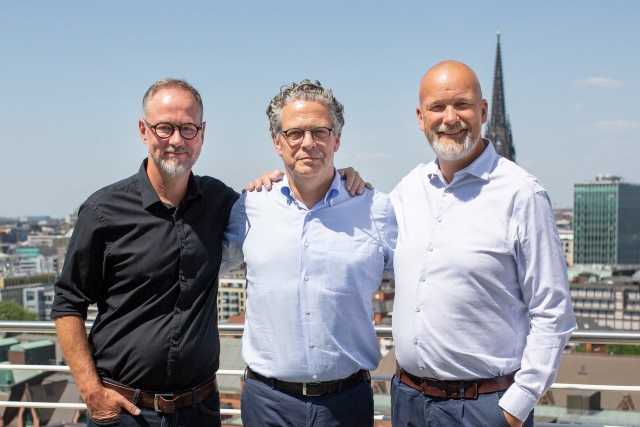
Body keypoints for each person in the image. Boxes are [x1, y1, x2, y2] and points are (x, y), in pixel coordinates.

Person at [52, 78, 366, 427]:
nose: (176, 140)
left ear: (201, 134)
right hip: (125, 409)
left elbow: (281, 206)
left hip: (198, 409)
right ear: (143, 130)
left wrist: (338, 178)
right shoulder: (103, 212)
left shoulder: (220, 201)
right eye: (164, 128)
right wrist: (90, 390)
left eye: (188, 129)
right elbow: (68, 303)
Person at [390, 60, 576, 427]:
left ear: (484, 111)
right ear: (420, 117)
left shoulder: (521, 194)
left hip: (483, 408)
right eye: (437, 107)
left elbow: (552, 309)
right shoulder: (407, 190)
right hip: (408, 402)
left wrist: (515, 407)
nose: (450, 118)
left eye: (462, 104)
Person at [223, 79, 396, 427]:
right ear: (278, 142)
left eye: (320, 132)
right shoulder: (250, 206)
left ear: (336, 140)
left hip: (347, 402)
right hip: (267, 402)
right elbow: (202, 266)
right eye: (295, 133)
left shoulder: (375, 209)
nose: (308, 143)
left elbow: (418, 284)